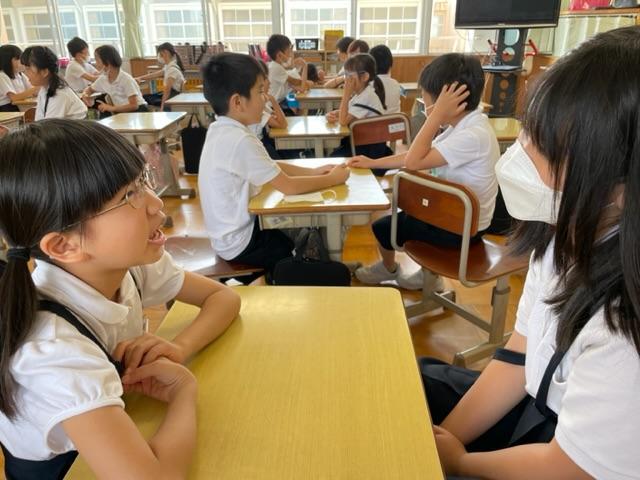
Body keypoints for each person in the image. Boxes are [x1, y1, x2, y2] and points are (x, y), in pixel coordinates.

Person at [419, 26, 640, 480]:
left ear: (622, 187)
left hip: (565, 455)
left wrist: (459, 462)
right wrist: (444, 439)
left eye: (545, 147)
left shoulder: (624, 328)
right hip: (534, 407)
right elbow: (519, 356)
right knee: (413, 384)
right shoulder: (560, 237)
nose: (520, 153)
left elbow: (570, 466)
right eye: (528, 132)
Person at [0, 119, 240, 479]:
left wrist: (180, 347)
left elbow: (223, 298)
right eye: (128, 197)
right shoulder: (53, 351)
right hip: (64, 468)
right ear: (64, 246)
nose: (155, 203)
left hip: (115, 425)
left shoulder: (127, 266)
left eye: (142, 181)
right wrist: (184, 392)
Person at [352, 53, 498, 289]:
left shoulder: (472, 135)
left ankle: (389, 268)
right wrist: (374, 162)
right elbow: (417, 156)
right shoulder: (465, 126)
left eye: (425, 99)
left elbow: (413, 161)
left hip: (460, 229)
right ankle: (427, 276)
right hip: (453, 219)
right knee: (410, 213)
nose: (423, 104)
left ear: (446, 100)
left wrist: (436, 115)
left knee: (382, 228)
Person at [199, 52, 350, 280]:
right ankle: (287, 279)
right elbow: (288, 187)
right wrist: (332, 179)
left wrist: (312, 172)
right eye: (260, 91)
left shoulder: (221, 129)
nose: (265, 98)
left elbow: (270, 165)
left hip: (227, 235)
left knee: (296, 233)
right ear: (238, 102)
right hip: (241, 242)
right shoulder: (239, 140)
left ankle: (316, 266)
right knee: (290, 249)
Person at [326, 53, 390, 163]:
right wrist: (333, 114)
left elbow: (343, 121)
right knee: (332, 157)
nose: (346, 80)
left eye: (350, 76)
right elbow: (347, 112)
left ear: (365, 77)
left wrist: (346, 94)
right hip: (361, 142)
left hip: (370, 149)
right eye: (346, 75)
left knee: (332, 160)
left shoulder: (367, 96)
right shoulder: (361, 94)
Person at [20, 46, 87, 120]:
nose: (25, 73)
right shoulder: (44, 90)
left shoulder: (60, 95)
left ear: (45, 72)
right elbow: (40, 122)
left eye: (28, 69)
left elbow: (48, 125)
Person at [82, 45, 148, 116]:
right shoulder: (103, 79)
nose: (96, 63)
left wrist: (111, 108)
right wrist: (85, 95)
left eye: (97, 60)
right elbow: (90, 89)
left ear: (107, 62)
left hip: (138, 111)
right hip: (122, 112)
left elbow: (134, 106)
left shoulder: (126, 79)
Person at [248, 60, 287, 159]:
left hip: (261, 144)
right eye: (265, 79)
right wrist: (273, 100)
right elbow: (282, 124)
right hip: (259, 148)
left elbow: (277, 117)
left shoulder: (261, 103)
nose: (269, 82)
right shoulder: (255, 107)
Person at [135, 42, 186, 110]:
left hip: (172, 98)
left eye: (161, 54)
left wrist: (162, 107)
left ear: (166, 53)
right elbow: (155, 74)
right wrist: (140, 78)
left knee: (143, 99)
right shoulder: (169, 66)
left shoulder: (172, 70)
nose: (159, 57)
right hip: (171, 96)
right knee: (145, 97)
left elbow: (167, 91)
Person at [266, 34, 308, 109]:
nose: (290, 55)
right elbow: (301, 86)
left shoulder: (274, 65)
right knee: (301, 107)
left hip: (279, 102)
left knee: (296, 103)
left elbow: (288, 67)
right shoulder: (277, 68)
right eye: (288, 51)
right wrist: (305, 66)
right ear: (279, 55)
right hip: (275, 106)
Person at [0, 44, 38, 112]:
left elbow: (33, 91)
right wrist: (36, 88)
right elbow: (14, 98)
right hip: (7, 108)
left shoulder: (20, 74)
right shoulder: (2, 76)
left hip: (20, 104)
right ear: (6, 61)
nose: (21, 61)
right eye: (17, 59)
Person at [370, 45, 401, 114]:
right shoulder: (396, 84)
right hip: (394, 120)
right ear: (390, 65)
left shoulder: (367, 86)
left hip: (374, 121)